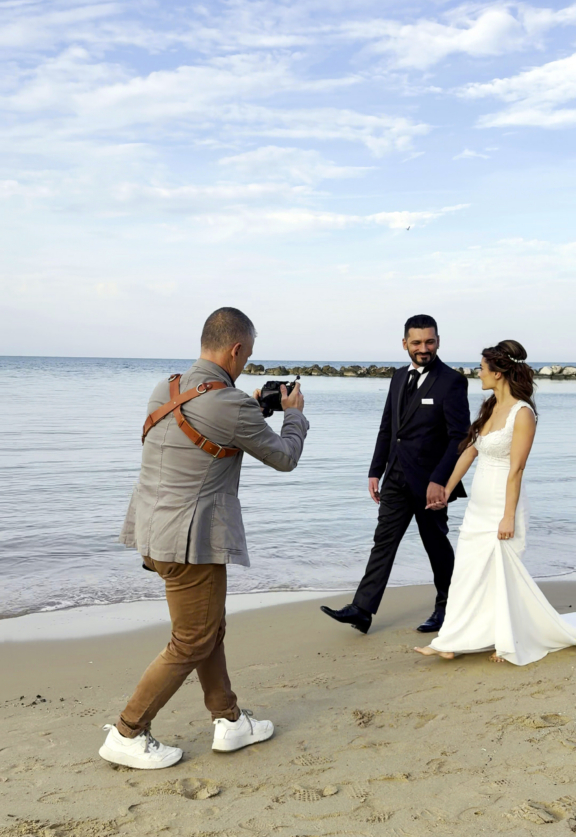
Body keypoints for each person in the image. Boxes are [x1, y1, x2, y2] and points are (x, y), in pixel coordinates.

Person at [99, 307, 308, 769]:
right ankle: (128, 731)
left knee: (208, 627)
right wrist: (294, 415)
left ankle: (229, 719)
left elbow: (214, 417)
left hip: (153, 531)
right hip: (191, 540)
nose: (246, 364)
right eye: (247, 356)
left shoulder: (166, 387)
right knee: (192, 639)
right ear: (236, 349)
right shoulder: (231, 404)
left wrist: (253, 404)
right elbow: (285, 457)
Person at [415, 340, 576, 665]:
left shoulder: (523, 414)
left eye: (483, 368)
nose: (479, 373)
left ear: (499, 373)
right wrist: (445, 490)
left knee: (502, 576)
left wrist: (507, 517)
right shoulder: (489, 407)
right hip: (479, 506)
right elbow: (470, 451)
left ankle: (506, 639)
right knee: (467, 573)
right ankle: (451, 641)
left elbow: (516, 469)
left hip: (505, 506)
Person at [321, 314, 470, 636]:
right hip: (396, 479)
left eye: (429, 341)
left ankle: (448, 606)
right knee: (383, 542)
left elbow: (460, 438)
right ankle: (362, 610)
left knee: (435, 544)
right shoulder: (399, 377)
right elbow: (389, 427)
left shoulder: (452, 381)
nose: (424, 348)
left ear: (438, 341)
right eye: (416, 342)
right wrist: (376, 470)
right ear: (405, 344)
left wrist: (440, 481)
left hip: (431, 484)